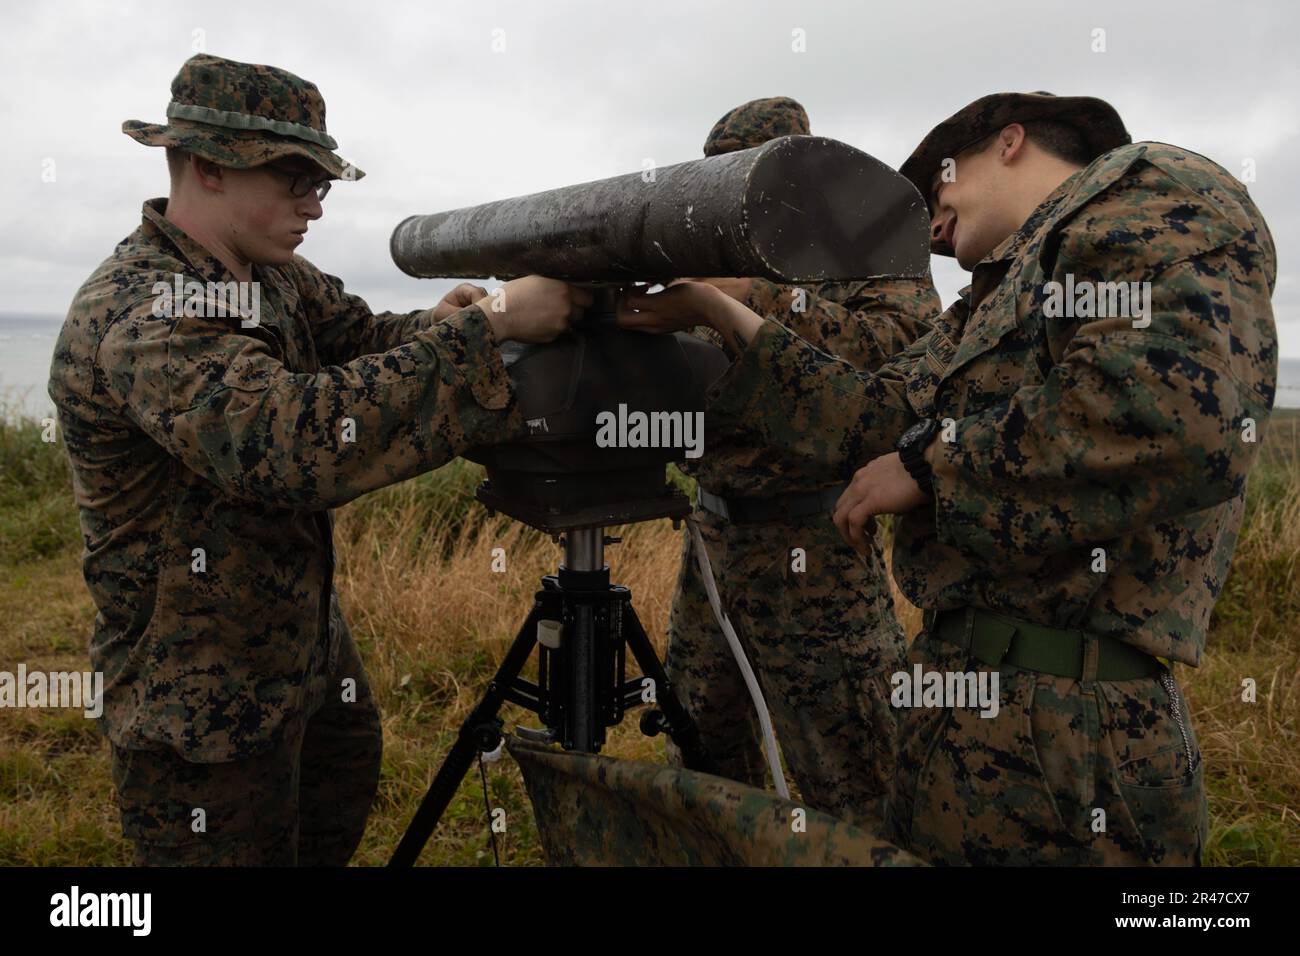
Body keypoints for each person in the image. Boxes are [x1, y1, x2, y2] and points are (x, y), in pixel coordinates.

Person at [619, 91, 1277, 864]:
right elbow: (872, 416)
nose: (929, 224)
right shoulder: (987, 306)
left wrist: (932, 466)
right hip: (960, 714)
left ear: (1009, 141)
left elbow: (1172, 417)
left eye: (938, 189)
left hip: (1073, 735)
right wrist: (724, 315)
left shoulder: (1149, 191)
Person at [48, 53, 589, 865]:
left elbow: (363, 341)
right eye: (295, 179)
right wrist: (494, 328)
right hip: (199, 700)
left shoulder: (277, 278)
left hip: (304, 651)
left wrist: (447, 320)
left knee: (331, 816)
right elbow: (292, 441)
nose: (315, 206)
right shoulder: (142, 310)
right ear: (206, 167)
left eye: (324, 184)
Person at [657, 97, 940, 825]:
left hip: (817, 549)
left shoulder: (872, 250)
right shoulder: (702, 254)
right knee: (703, 750)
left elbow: (894, 364)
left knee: (853, 771)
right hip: (713, 540)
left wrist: (752, 302)